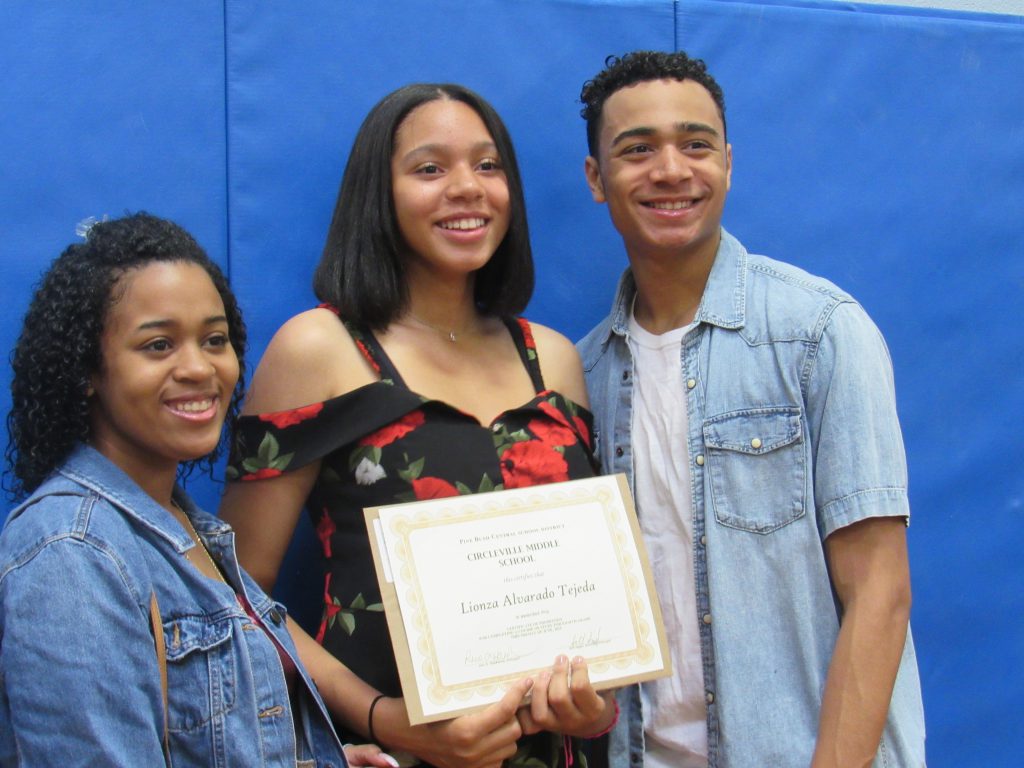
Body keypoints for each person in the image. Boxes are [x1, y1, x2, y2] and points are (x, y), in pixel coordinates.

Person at [219, 83, 617, 768]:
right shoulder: (319, 350)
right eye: (430, 169)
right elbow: (235, 590)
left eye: (488, 166)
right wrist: (386, 720)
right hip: (386, 753)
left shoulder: (553, 360)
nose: (467, 188)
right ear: (380, 192)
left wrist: (594, 700)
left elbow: (590, 596)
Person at [575, 51, 926, 767]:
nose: (671, 169)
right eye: (637, 150)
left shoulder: (819, 332)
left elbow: (880, 593)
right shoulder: (581, 376)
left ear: (728, 163)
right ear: (596, 180)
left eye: (695, 144)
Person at [0, 212, 397, 767]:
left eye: (214, 339)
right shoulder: (72, 551)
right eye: (158, 346)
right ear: (86, 371)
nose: (199, 368)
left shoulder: (192, 532)